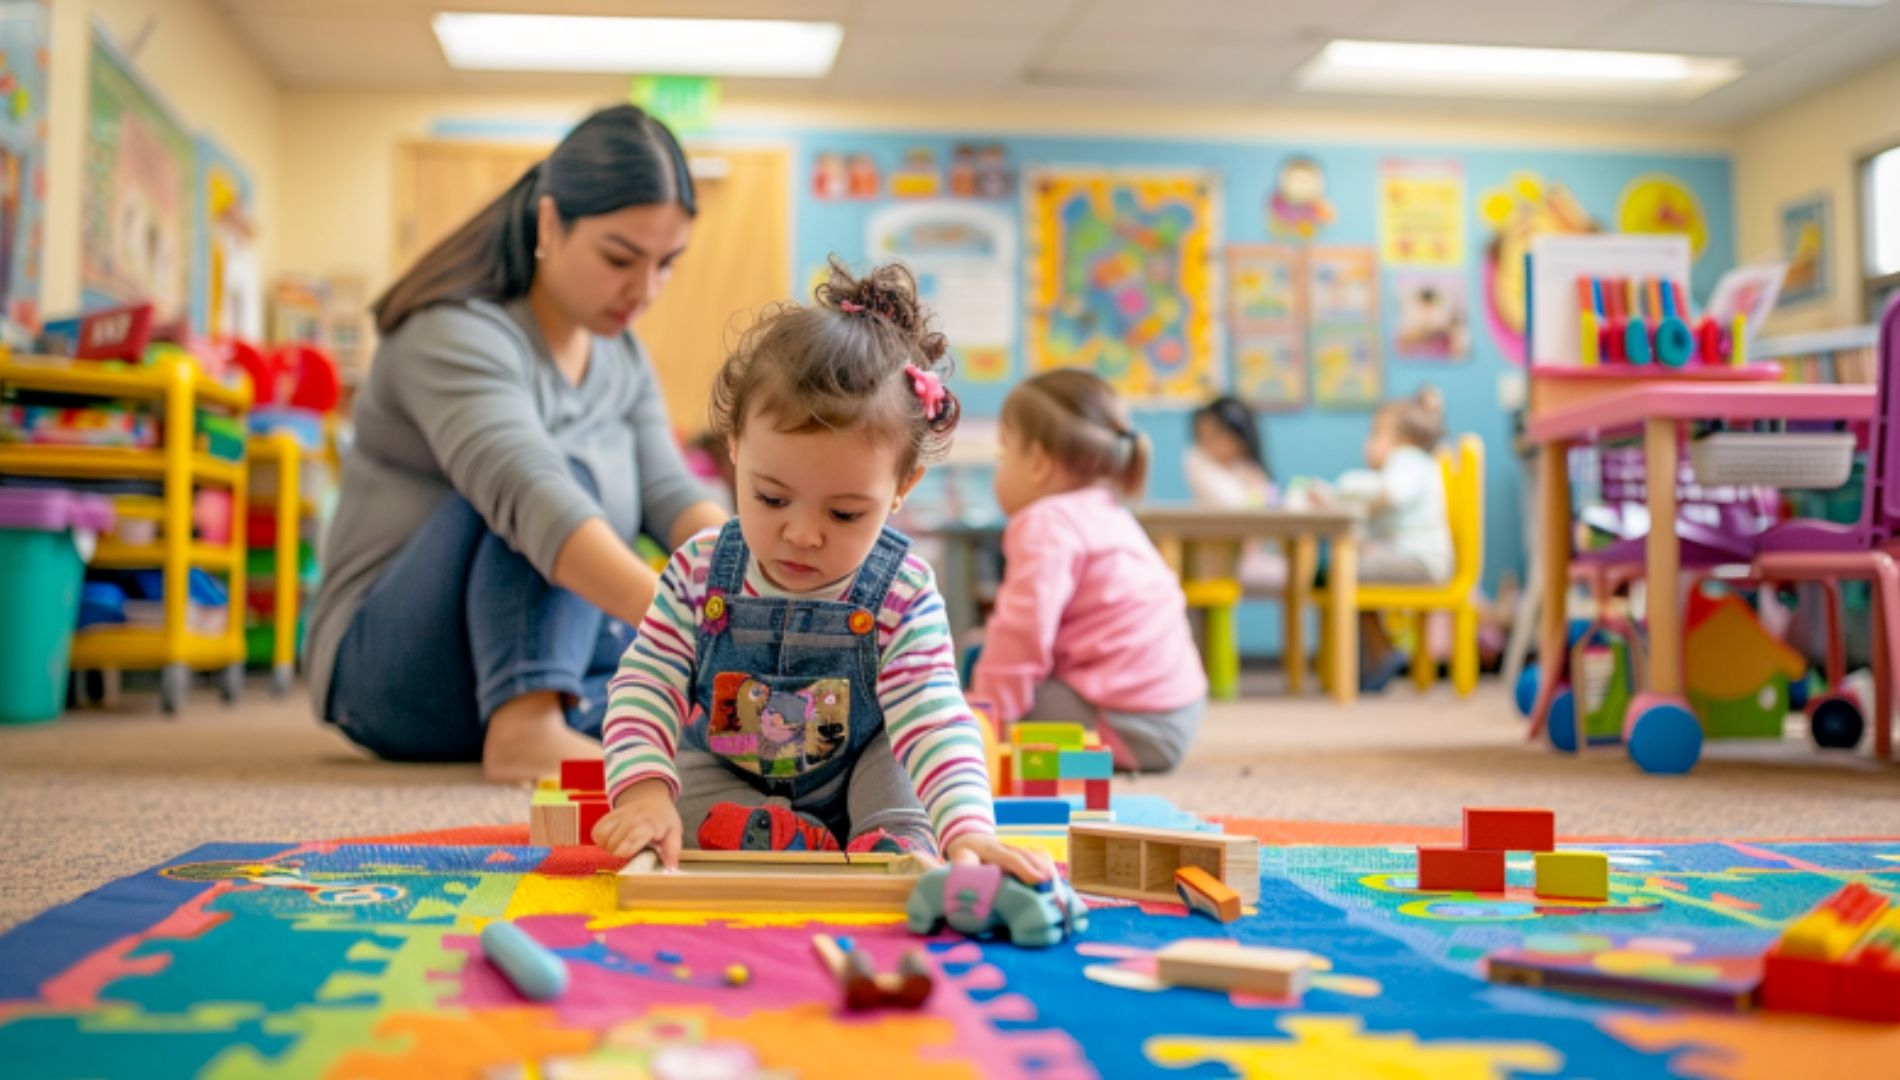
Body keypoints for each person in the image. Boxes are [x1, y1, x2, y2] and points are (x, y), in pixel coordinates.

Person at [591, 259, 1050, 884]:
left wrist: (969, 828)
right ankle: (767, 829)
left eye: (843, 512)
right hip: (733, 772)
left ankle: (889, 836)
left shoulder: (902, 590)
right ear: (734, 448)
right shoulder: (699, 571)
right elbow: (645, 684)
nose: (802, 535)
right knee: (679, 773)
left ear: (901, 489)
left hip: (863, 769)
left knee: (902, 761)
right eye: (772, 498)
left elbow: (934, 711)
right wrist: (642, 789)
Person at [308, 105, 728, 782]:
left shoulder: (621, 356)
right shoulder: (451, 333)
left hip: (540, 654)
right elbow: (533, 493)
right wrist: (699, 626)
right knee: (555, 483)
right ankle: (527, 730)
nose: (645, 290)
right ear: (549, 224)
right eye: (620, 258)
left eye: (667, 265)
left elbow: (671, 495)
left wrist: (755, 589)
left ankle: (549, 712)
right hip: (389, 673)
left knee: (730, 727)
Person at [970, 369, 1207, 773]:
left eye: (1003, 454)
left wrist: (985, 721)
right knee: (979, 648)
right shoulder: (1105, 510)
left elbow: (1022, 631)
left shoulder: (1046, 522)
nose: (999, 468)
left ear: (1040, 463)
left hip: (1125, 723)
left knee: (955, 698)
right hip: (1175, 711)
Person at [1317, 386, 1452, 691]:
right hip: (1411, 560)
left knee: (1342, 572)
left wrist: (1345, 485)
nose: (1368, 443)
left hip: (1421, 563)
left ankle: (1379, 653)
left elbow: (1391, 493)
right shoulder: (1401, 466)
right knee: (1346, 569)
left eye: (1376, 434)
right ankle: (1381, 651)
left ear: (1403, 440)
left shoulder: (1409, 461)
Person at [1184, 394, 1285, 590]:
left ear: (1239, 439)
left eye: (1216, 436)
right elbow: (1234, 505)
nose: (1208, 445)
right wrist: (1255, 492)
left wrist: (1259, 487)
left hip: (1243, 558)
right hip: (1209, 562)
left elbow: (1276, 506)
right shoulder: (1197, 460)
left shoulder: (1249, 469)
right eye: (1202, 437)